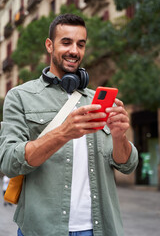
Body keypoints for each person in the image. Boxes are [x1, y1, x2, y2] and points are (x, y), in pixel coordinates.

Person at [0, 13, 138, 236]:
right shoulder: (20, 97)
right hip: (42, 228)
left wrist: (119, 136)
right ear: (49, 45)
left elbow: (127, 165)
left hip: (99, 228)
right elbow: (8, 162)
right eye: (66, 42)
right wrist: (63, 133)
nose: (74, 50)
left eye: (80, 44)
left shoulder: (98, 99)